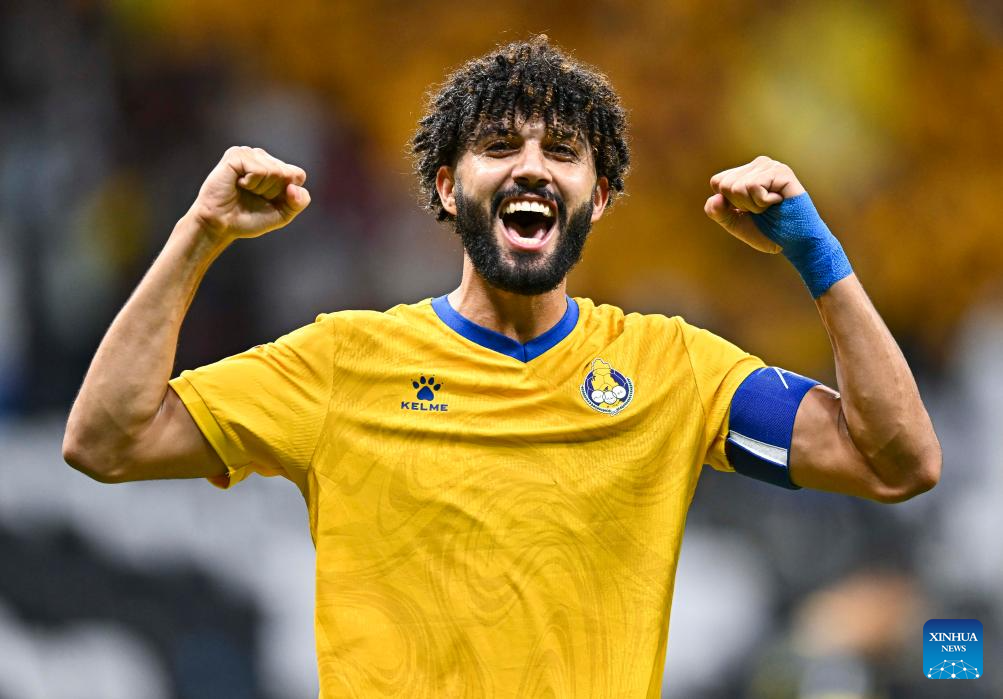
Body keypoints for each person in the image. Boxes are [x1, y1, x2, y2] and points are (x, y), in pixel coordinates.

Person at [63, 35, 941, 698]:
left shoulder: (672, 368)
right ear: (449, 187)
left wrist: (815, 257)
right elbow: (107, 439)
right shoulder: (342, 361)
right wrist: (198, 235)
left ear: (599, 197)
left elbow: (895, 460)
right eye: (498, 146)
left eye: (562, 151)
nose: (531, 166)